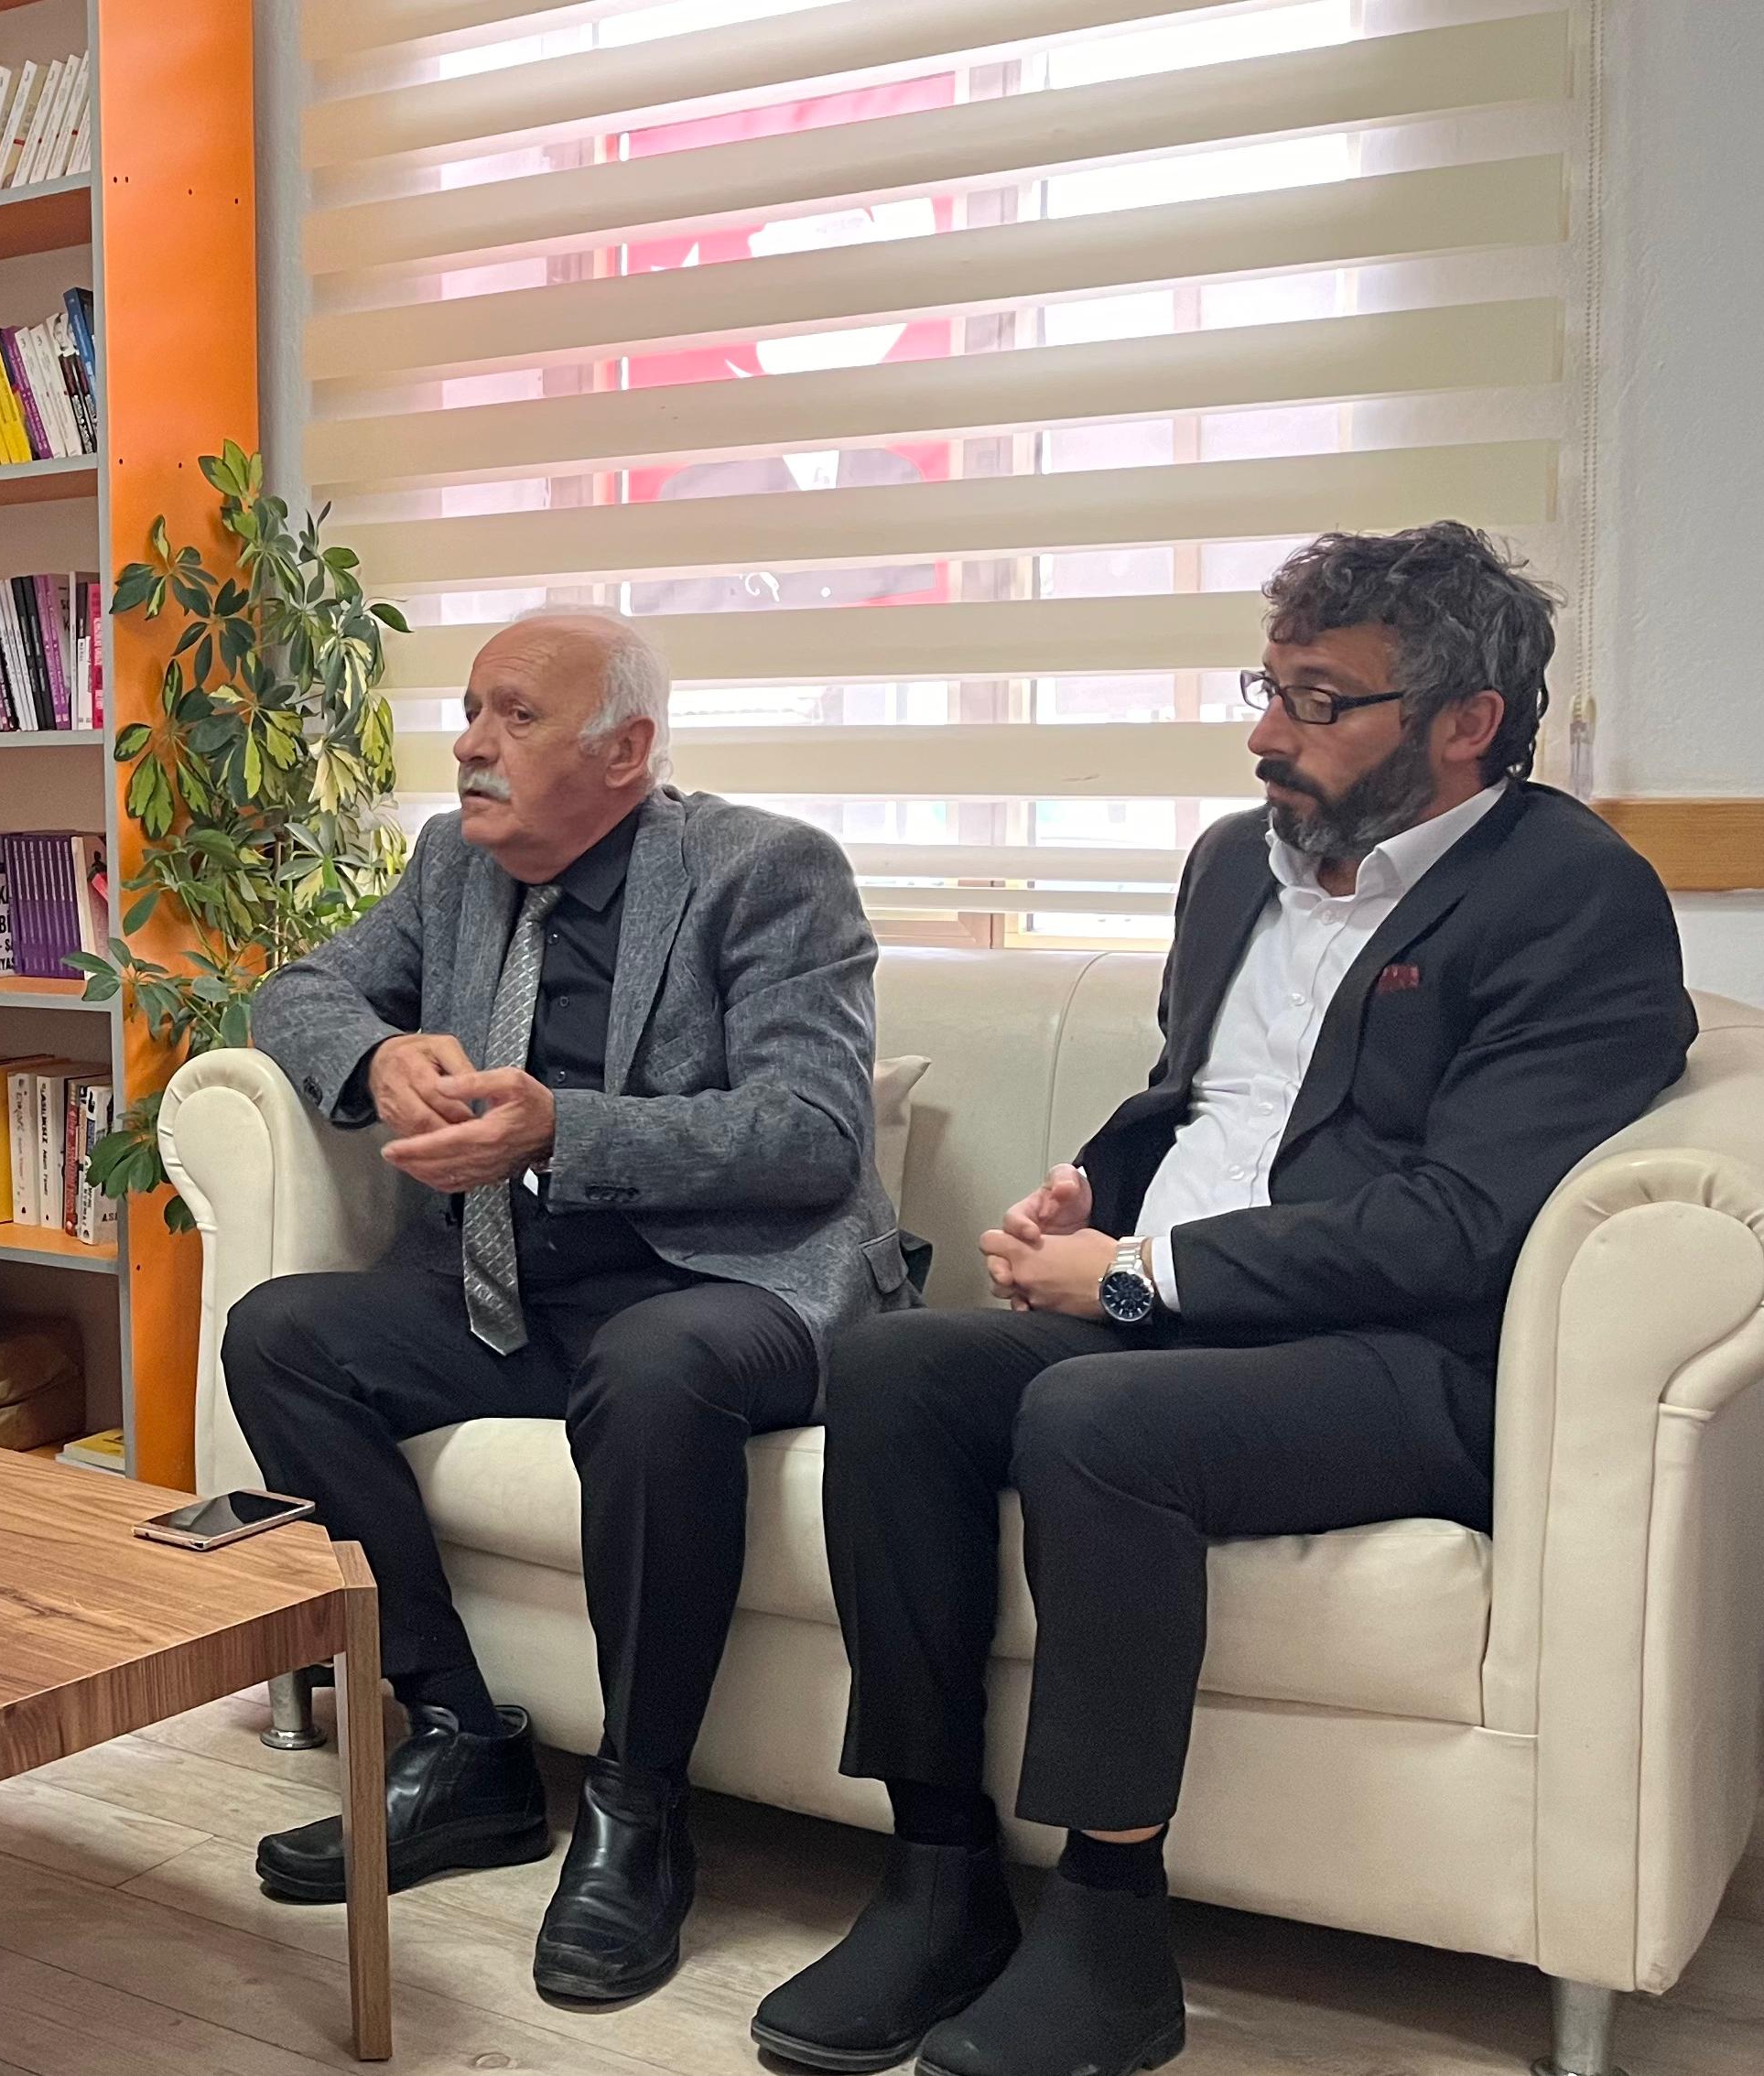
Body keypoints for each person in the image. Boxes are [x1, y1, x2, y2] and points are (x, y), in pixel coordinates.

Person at [752, 524, 1693, 2076]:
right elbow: (1205, 1098)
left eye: (1320, 701)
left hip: (1404, 1359)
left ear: (1466, 721)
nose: (1268, 733)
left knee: (1096, 1414)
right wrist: (1095, 1198)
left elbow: (1461, 1223)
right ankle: (937, 1873)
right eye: (1267, 687)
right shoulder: (1230, 866)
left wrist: (1137, 1275)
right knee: (896, 1369)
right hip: (1180, 1315)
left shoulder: (1573, 899)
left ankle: (1111, 1931)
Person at [225, 609, 910, 2003]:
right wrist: (377, 1055)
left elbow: (812, 1131)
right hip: (512, 1292)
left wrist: (564, 1133)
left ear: (625, 751)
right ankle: (459, 1742)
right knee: (282, 1335)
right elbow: (295, 990)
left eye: (517, 717)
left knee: (655, 1368)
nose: (473, 746)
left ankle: (638, 1812)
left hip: (727, 1287)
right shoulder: (451, 864)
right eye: (471, 711)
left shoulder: (763, 871)